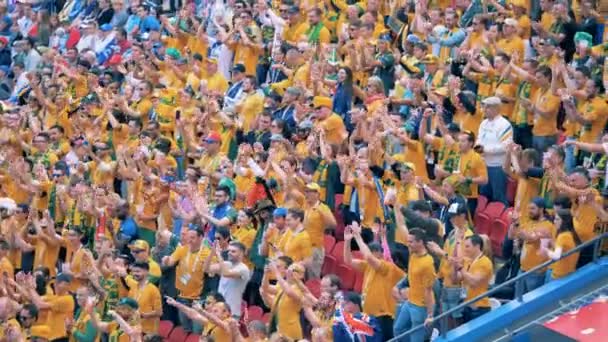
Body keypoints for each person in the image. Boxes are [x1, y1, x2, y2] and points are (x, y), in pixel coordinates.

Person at [393, 229, 436, 342]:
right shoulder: (413, 255)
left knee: (416, 338)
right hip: (410, 301)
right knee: (398, 329)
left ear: (420, 242)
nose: (408, 244)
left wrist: (430, 314)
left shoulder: (427, 263)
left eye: (411, 242)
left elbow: (429, 290)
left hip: (420, 307)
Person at [206, 241, 251, 319]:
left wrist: (219, 255)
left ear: (241, 253)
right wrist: (212, 253)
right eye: (229, 251)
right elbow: (207, 269)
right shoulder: (226, 264)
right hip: (218, 310)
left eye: (233, 251)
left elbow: (226, 273)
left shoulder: (244, 269)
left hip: (232, 312)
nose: (229, 253)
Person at [457, 235, 494, 322]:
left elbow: (474, 282)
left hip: (478, 307)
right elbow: (456, 279)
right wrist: (454, 267)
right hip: (466, 304)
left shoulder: (485, 262)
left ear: (477, 246)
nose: (465, 249)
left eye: (467, 246)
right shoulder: (467, 260)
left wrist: (460, 268)